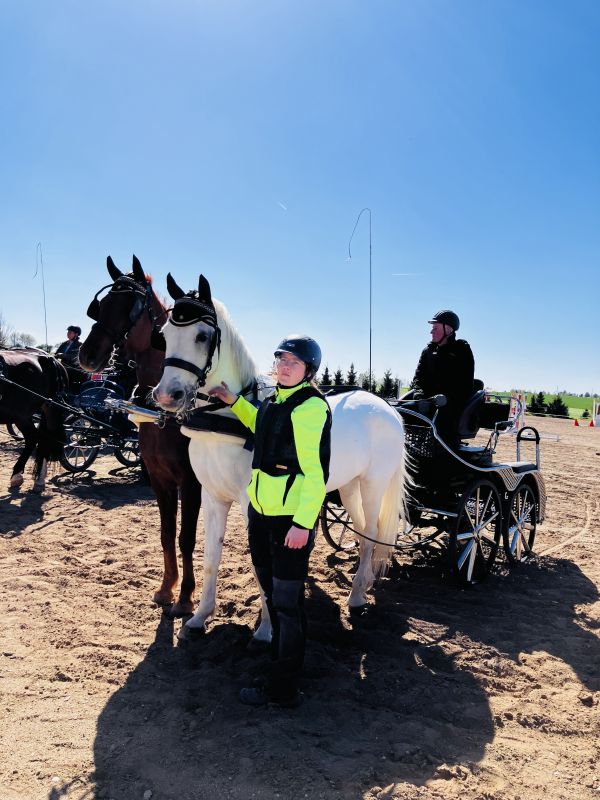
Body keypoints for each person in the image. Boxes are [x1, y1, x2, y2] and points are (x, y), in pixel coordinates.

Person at [208, 334, 331, 709]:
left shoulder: (310, 408)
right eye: (281, 360)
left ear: (309, 371)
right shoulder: (275, 401)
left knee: (288, 604)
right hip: (260, 515)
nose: (285, 366)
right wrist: (233, 401)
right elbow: (259, 422)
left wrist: (303, 524)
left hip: (289, 522)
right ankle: (279, 665)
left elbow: (316, 474)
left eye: (294, 362)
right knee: (273, 598)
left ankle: (283, 689)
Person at [410, 310, 474, 447]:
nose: (431, 332)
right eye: (432, 328)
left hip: (450, 405)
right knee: (403, 411)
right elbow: (418, 379)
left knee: (441, 420)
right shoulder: (427, 351)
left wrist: (447, 398)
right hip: (426, 401)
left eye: (435, 328)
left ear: (449, 330)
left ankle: (443, 450)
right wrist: (419, 396)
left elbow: (465, 384)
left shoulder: (462, 350)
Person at [55, 325, 85, 391]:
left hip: (73, 368)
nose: (68, 334)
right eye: (68, 332)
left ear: (76, 334)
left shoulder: (80, 345)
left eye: (70, 332)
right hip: (62, 366)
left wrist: (63, 355)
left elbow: (74, 357)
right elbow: (56, 354)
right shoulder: (64, 344)